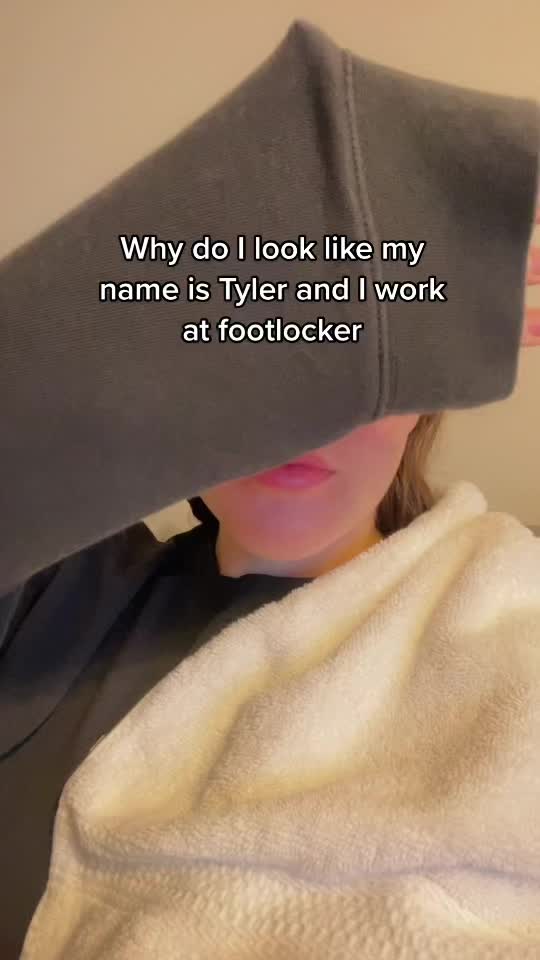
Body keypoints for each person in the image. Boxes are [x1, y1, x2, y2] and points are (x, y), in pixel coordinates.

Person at [1, 20, 539, 958]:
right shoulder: (54, 601)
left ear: (423, 402)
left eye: (355, 359)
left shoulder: (512, 616)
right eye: (254, 345)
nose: (304, 420)